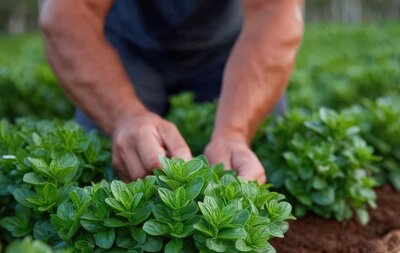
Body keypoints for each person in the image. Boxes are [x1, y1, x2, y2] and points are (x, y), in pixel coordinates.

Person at [39, 0, 304, 183]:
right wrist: (124, 117)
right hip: (124, 48)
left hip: (229, 50)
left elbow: (275, 11)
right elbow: (66, 16)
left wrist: (234, 132)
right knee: (104, 166)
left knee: (261, 156)